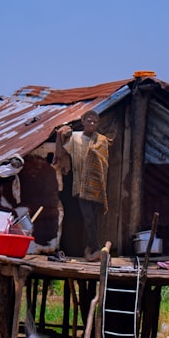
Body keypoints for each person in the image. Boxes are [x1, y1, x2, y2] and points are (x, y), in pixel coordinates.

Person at [54, 110, 111, 261]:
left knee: (94, 218)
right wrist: (60, 135)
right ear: (83, 122)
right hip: (80, 185)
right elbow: (61, 152)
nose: (92, 123)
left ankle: (90, 249)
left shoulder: (102, 140)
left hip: (96, 186)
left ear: (98, 124)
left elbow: (103, 164)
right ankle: (97, 248)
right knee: (88, 217)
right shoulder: (75, 138)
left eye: (95, 121)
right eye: (89, 120)